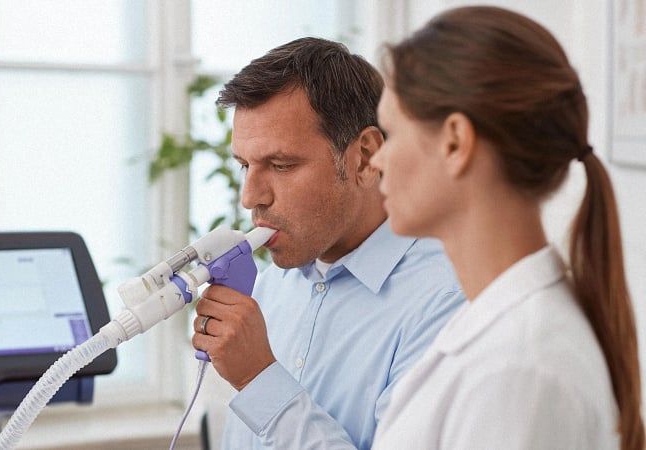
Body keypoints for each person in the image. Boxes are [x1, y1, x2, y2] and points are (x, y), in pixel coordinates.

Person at [369, 6, 644, 449]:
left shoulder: (518, 370)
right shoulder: (503, 331)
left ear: (455, 142)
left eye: (391, 133)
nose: (377, 160)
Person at [190, 37, 466, 450]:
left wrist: (258, 379)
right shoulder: (271, 288)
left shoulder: (446, 304)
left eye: (281, 165)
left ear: (364, 156)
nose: (250, 197)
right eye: (245, 165)